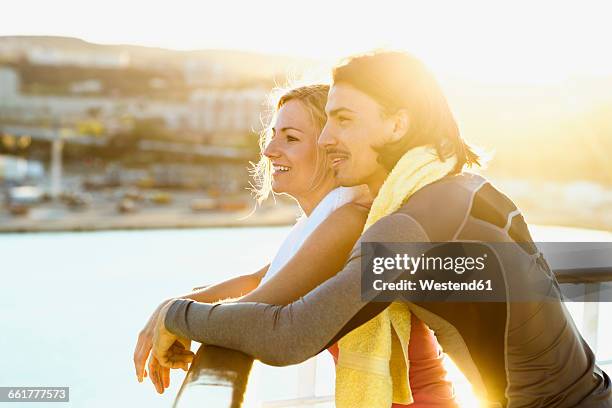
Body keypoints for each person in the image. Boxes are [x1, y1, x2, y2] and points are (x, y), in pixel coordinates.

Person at [154, 51, 612, 407]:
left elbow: (288, 336)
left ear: (397, 124)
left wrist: (177, 314)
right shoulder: (451, 190)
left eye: (345, 119)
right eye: (328, 118)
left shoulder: (415, 222)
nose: (328, 137)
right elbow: (273, 282)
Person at [136, 83, 458, 407]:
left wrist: (175, 316)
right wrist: (169, 306)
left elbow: (257, 305)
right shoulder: (325, 220)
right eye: (273, 134)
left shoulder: (350, 221)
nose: (269, 150)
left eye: (290, 138)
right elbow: (259, 280)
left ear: (332, 149)